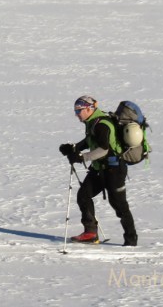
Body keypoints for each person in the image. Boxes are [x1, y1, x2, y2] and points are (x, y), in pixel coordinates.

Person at [59, 95, 138, 246]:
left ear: (89, 109)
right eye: (76, 111)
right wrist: (73, 148)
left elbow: (104, 149)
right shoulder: (92, 122)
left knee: (119, 205)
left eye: (79, 111)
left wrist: (83, 157)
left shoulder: (102, 124)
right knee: (83, 195)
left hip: (114, 170)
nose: (77, 115)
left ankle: (131, 240)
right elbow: (90, 140)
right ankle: (90, 233)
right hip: (99, 169)